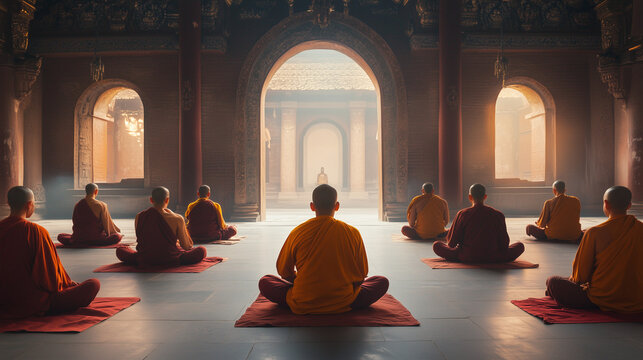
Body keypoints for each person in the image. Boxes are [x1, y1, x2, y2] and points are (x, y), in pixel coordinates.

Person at [258, 184, 389, 314]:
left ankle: (305, 295)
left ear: (312, 206)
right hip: (345, 300)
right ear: (337, 206)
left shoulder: (298, 232)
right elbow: (361, 275)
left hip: (303, 299)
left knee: (266, 281)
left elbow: (284, 271)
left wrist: (304, 282)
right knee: (381, 281)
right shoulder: (352, 232)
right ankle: (339, 302)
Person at [0, 186, 100, 319]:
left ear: (9, 204)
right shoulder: (36, 231)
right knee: (93, 284)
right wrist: (67, 284)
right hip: (33, 302)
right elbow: (50, 278)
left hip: (3, 300)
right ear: (29, 205)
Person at [545, 186, 643, 313]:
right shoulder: (639, 229)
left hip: (600, 298)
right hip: (637, 298)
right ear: (629, 205)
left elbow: (581, 277)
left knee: (553, 281)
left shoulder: (594, 233)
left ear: (606, 204)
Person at [433, 184, 525, 263]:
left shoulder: (462, 214)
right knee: (520, 246)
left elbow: (451, 243)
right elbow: (504, 244)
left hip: (467, 256)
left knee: (437, 245)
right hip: (494, 257)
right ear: (485, 197)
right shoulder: (498, 214)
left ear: (470, 197)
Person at [116, 187, 206, 267]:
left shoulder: (139, 216)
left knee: (121, 250)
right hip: (171, 259)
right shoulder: (177, 218)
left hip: (145, 258)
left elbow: (141, 240)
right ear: (167, 200)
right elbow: (187, 246)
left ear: (151, 200)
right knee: (201, 250)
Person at [57, 183, 123, 246]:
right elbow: (107, 224)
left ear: (86, 191)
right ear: (96, 191)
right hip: (96, 239)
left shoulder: (78, 204)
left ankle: (80, 240)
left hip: (79, 238)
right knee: (117, 236)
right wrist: (115, 232)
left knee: (61, 236)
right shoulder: (101, 205)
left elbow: (75, 222)